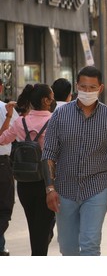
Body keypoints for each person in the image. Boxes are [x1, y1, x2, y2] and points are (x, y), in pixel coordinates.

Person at [42, 66, 107, 256]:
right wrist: (50, 189)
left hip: (96, 188)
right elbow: (48, 154)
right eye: (84, 87)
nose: (87, 91)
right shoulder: (60, 116)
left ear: (100, 88)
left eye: (92, 87)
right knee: (68, 248)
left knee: (90, 245)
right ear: (77, 87)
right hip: (64, 190)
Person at [0, 84, 55, 256]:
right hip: (46, 183)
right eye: (51, 97)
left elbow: (2, 140)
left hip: (24, 183)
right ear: (46, 100)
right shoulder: (54, 121)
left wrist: (9, 117)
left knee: (34, 227)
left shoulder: (20, 121)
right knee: (43, 230)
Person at [0, 100, 18, 256]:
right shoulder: (4, 108)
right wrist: (8, 116)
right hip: (2, 164)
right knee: (5, 208)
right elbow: (20, 131)